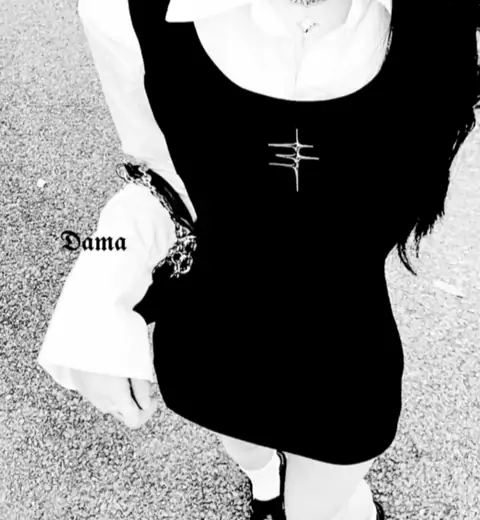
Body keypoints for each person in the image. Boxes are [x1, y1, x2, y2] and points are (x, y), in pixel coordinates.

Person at [37, 0, 480, 519]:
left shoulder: (446, 22)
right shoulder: (122, 10)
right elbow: (159, 178)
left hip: (347, 358)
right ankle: (264, 483)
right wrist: (96, 284)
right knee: (246, 448)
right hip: (216, 341)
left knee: (323, 511)